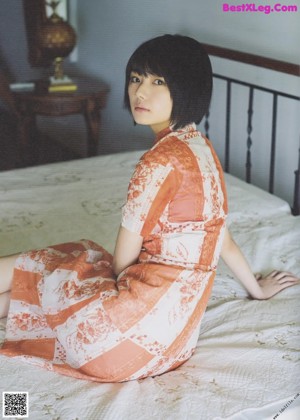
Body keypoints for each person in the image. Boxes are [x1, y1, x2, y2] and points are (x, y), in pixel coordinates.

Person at [0, 35, 298, 383]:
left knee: (70, 258)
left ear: (188, 90)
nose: (141, 92)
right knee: (61, 273)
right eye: (136, 78)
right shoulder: (202, 150)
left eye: (159, 81)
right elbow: (220, 236)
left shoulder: (158, 162)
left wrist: (102, 283)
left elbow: (122, 260)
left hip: (109, 343)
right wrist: (257, 289)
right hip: (167, 348)